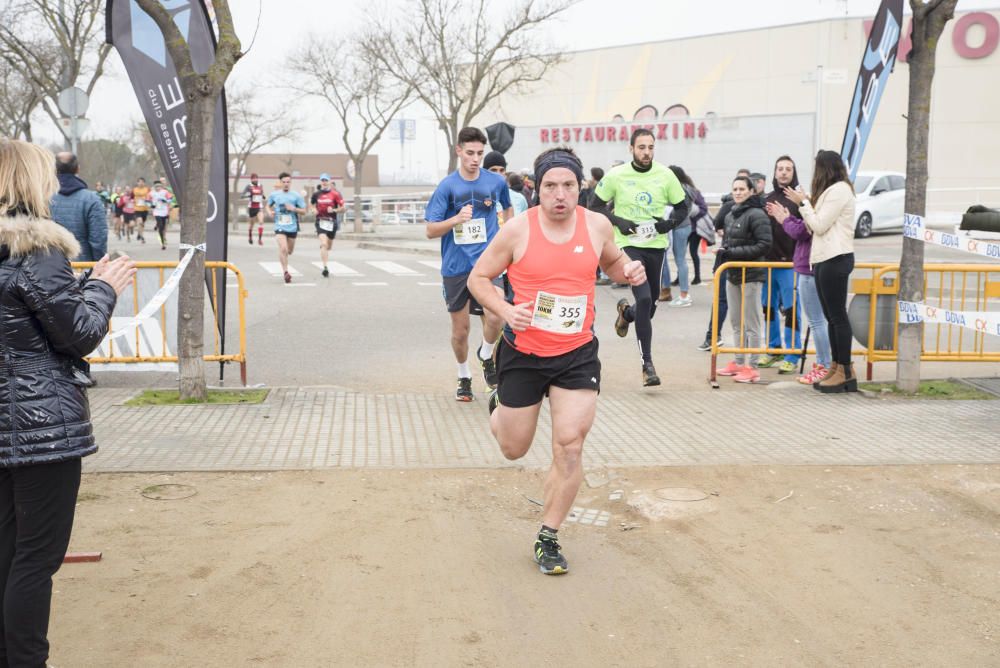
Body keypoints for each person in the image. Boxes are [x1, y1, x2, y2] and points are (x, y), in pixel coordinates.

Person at [467, 146, 646, 575]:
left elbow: (615, 261)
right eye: (551, 186)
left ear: (580, 186)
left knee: (569, 446)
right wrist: (507, 311)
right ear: (537, 189)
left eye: (568, 185)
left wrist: (629, 271)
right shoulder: (518, 231)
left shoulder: (597, 225)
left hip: (576, 355)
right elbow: (478, 278)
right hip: (524, 355)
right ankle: (498, 406)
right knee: (513, 448)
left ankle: (548, 536)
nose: (560, 194)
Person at [0, 138, 136, 668]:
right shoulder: (37, 251)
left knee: (9, 552)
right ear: (33, 183)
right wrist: (103, 289)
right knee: (36, 558)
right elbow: (78, 335)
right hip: (39, 430)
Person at [590, 128, 689, 386]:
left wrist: (668, 225)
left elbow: (682, 207)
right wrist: (619, 221)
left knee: (650, 305)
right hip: (627, 246)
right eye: (641, 147)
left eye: (650, 148)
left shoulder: (665, 175)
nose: (646, 152)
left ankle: (627, 312)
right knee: (644, 298)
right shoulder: (617, 175)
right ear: (631, 148)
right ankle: (647, 365)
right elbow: (595, 206)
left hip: (655, 245)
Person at [425, 127, 512, 401]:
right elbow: (430, 230)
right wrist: (455, 220)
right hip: (456, 267)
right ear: (459, 151)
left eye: (479, 154)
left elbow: (507, 208)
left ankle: (486, 354)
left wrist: (507, 233)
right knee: (460, 331)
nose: (475, 159)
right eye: (470, 153)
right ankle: (464, 375)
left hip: (487, 263)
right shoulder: (447, 186)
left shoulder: (495, 183)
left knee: (497, 313)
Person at [782, 150, 857, 393]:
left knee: (837, 317)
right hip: (825, 259)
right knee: (831, 317)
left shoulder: (839, 190)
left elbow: (818, 225)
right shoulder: (831, 192)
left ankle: (845, 369)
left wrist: (803, 203)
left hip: (836, 257)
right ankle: (836, 366)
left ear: (825, 168)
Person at [766, 198, 832, 385]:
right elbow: (803, 227)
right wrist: (789, 218)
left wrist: (786, 219)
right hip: (811, 267)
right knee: (820, 321)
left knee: (817, 321)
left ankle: (824, 364)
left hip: (809, 269)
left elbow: (801, 231)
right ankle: (824, 364)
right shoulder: (818, 212)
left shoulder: (816, 212)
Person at [715, 175, 772, 383]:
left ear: (751, 191)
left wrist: (733, 252)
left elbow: (764, 244)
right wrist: (726, 252)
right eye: (735, 189)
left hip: (751, 275)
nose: (738, 192)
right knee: (736, 322)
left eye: (742, 189)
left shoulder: (757, 214)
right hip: (733, 274)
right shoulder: (730, 213)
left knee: (752, 322)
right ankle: (739, 362)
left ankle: (753, 366)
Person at [758, 156, 804, 373]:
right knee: (768, 308)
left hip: (791, 265)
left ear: (793, 173)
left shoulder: (799, 199)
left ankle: (792, 354)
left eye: (788, 169)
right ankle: (773, 349)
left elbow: (807, 228)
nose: (784, 172)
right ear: (775, 172)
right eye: (780, 169)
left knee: (791, 309)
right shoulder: (767, 198)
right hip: (768, 264)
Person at [658, 165, 706, 307]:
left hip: (678, 226)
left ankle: (683, 294)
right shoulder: (689, 188)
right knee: (678, 259)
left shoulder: (680, 189)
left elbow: (677, 209)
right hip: (683, 226)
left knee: (679, 260)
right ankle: (676, 292)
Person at [48, 152, 108, 261]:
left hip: (49, 268)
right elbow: (98, 240)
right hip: (84, 267)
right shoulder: (92, 199)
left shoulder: (42, 198)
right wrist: (99, 265)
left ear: (53, 169)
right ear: (77, 169)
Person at [265, 172, 307, 284]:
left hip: (292, 228)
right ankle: (285, 272)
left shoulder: (296, 196)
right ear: (281, 183)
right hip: (279, 226)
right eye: (284, 182)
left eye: (288, 182)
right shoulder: (275, 195)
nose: (286, 184)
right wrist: (269, 212)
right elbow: (267, 205)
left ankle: (285, 261)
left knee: (289, 251)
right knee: (283, 248)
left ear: (291, 182)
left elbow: (304, 211)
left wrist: (294, 209)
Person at [311, 173, 345, 277]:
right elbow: (311, 205)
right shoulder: (316, 194)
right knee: (324, 243)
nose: (324, 182)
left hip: (331, 223)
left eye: (326, 180)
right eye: (322, 180)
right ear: (321, 182)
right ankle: (325, 267)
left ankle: (325, 250)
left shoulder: (335, 194)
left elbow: (343, 208)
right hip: (320, 221)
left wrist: (334, 209)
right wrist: (314, 210)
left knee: (328, 246)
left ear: (329, 181)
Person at [242, 173, 265, 245]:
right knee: (252, 225)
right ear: (251, 179)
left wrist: (263, 196)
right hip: (251, 207)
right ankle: (250, 237)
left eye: (256, 178)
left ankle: (260, 239)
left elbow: (262, 194)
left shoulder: (260, 185)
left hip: (259, 207)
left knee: (261, 222)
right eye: (253, 178)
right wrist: (249, 195)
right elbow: (242, 195)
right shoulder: (248, 186)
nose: (255, 179)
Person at [150, 180, 173, 250]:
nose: (157, 188)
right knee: (160, 226)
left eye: (159, 186)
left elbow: (171, 199)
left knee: (163, 227)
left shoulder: (165, 192)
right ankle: (163, 243)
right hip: (157, 212)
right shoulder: (151, 193)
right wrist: (151, 206)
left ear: (161, 186)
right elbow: (147, 201)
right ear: (154, 187)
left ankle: (162, 238)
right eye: (156, 187)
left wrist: (165, 201)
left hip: (164, 212)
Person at [132, 177, 150, 243]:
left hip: (145, 209)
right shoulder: (134, 190)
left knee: (142, 224)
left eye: (142, 182)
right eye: (139, 182)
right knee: (140, 221)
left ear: (144, 183)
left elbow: (150, 197)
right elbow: (130, 197)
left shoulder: (147, 189)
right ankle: (142, 237)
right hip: (137, 209)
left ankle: (139, 233)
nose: (141, 183)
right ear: (137, 183)